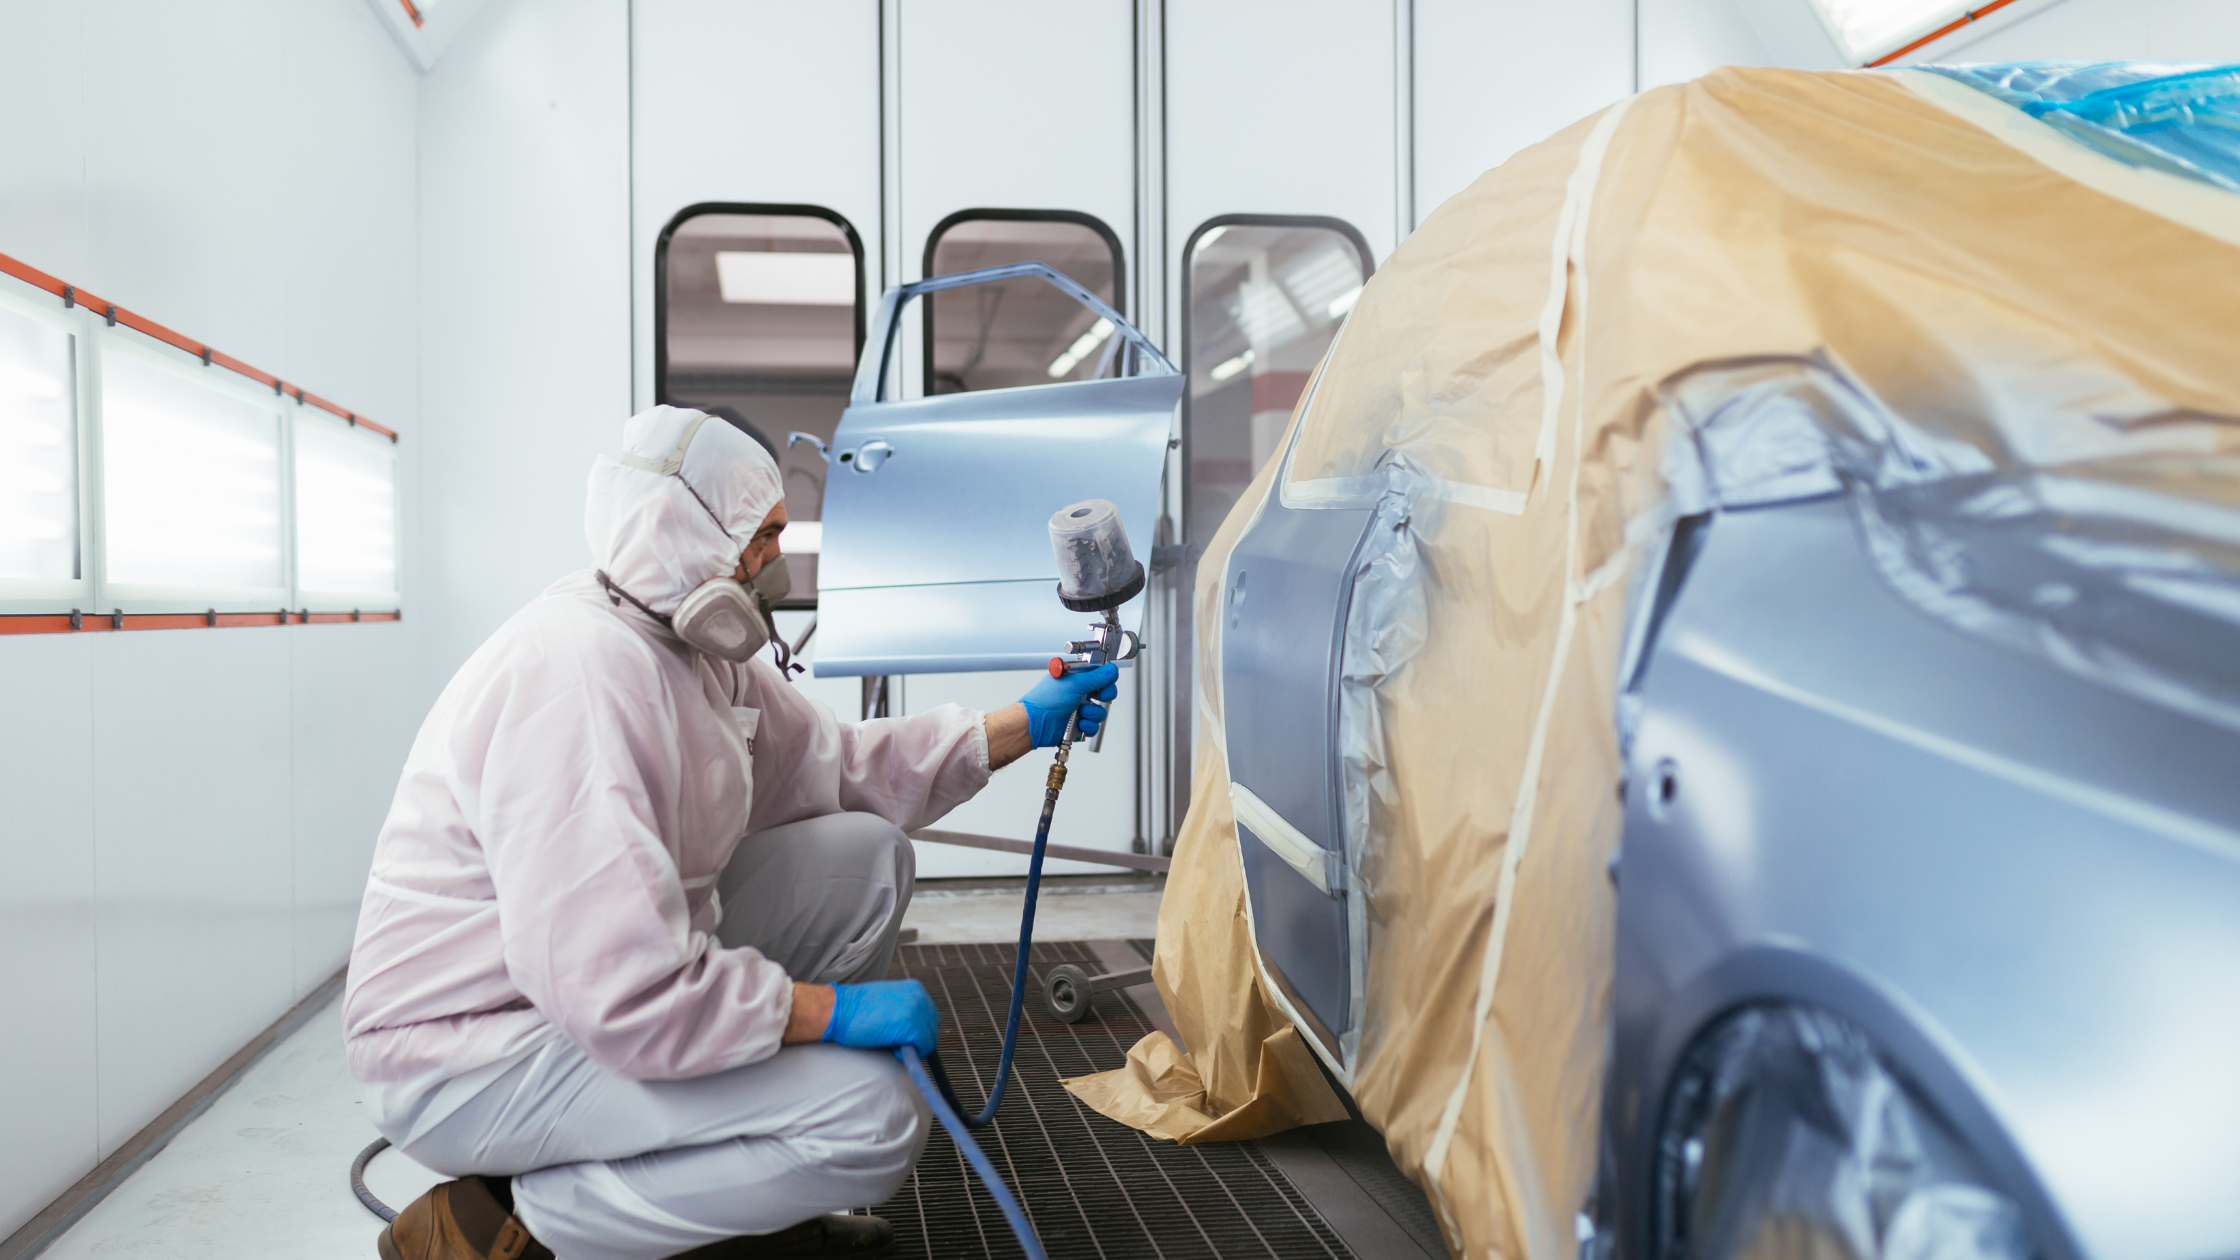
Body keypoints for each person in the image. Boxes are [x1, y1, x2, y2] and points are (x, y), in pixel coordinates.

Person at [343, 406, 1118, 1260]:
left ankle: (746, 1185)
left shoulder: (689, 648)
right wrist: (824, 1014)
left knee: (864, 858)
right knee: (873, 1116)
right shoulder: (579, 676)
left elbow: (841, 765)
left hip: (583, 990)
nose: (778, 561)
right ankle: (508, 1220)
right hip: (474, 1048)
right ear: (689, 534)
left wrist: (1022, 725)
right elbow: (618, 987)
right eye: (765, 536)